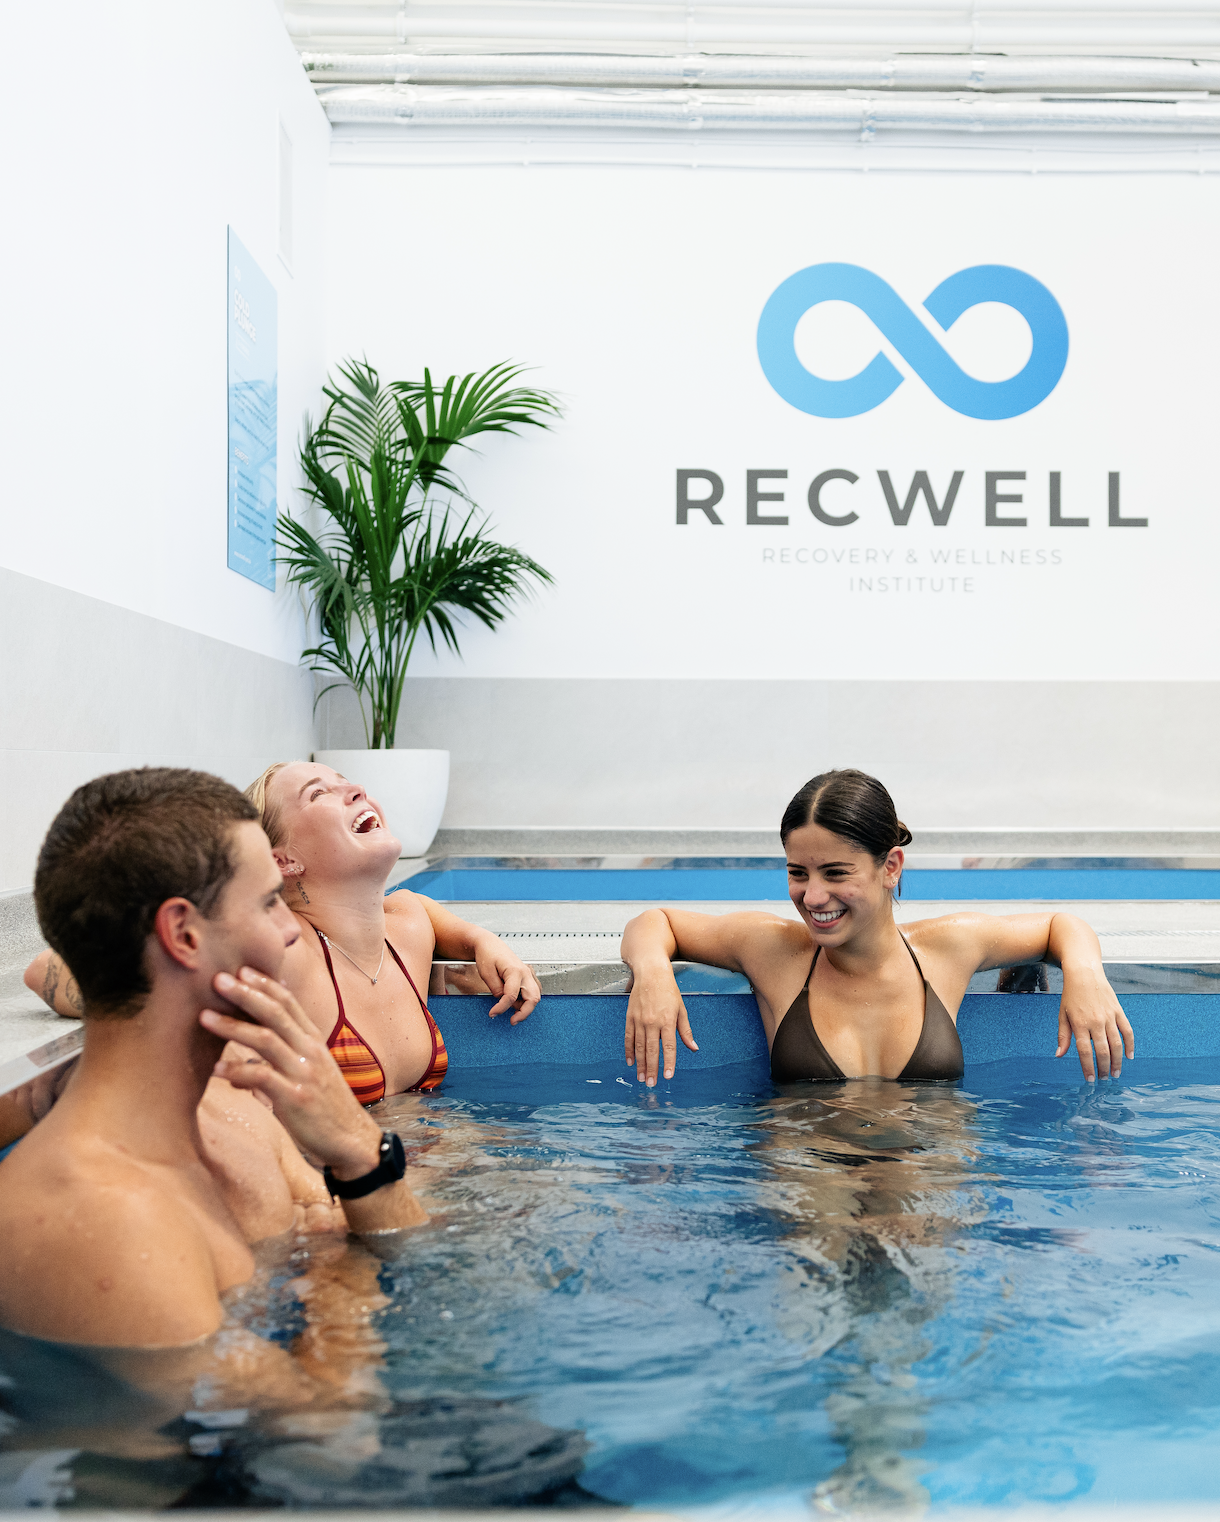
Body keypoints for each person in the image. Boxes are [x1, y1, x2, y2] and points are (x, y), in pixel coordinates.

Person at [0, 767, 428, 1350]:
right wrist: (356, 1157)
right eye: (270, 902)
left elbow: (399, 1248)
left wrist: (358, 1154)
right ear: (185, 935)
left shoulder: (238, 1112)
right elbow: (326, 1428)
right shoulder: (104, 1219)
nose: (289, 930)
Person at [25, 759, 542, 1106]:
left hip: (431, 1167)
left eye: (346, 780)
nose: (354, 789)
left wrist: (482, 943)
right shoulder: (283, 950)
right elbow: (46, 970)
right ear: (281, 859)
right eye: (321, 793)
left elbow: (434, 916)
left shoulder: (407, 922)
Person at [621, 768, 1134, 1088]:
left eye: (835, 873)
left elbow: (1060, 925)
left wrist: (1085, 976)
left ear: (890, 866)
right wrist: (652, 975)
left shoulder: (946, 949)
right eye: (797, 873)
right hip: (813, 1191)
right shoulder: (774, 950)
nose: (813, 896)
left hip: (925, 1193)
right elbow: (654, 922)